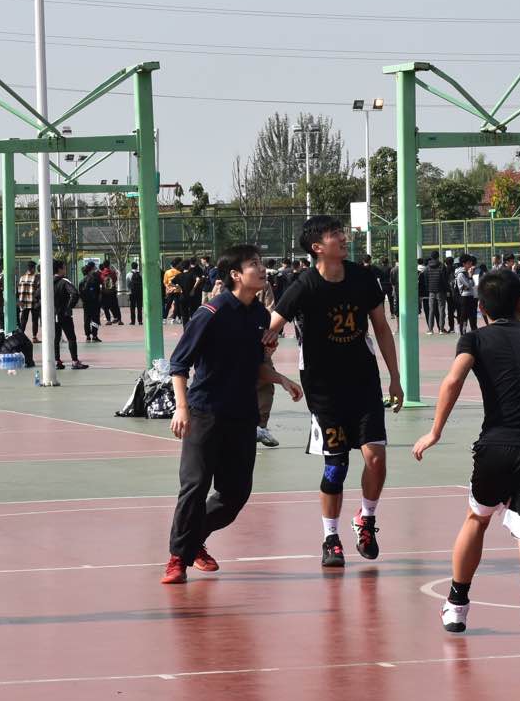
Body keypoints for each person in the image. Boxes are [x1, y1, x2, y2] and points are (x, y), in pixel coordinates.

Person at [412, 270, 520, 654]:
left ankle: (457, 604)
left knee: (477, 518)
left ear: (481, 307)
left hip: (496, 448)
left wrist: (435, 431)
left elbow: (453, 380)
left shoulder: (474, 339)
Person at [266, 215, 404, 568]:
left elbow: (382, 328)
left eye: (342, 232)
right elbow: (273, 324)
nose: (343, 237)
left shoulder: (362, 277)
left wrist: (395, 377)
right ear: (317, 247)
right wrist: (263, 351)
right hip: (323, 388)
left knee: (376, 457)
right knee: (336, 467)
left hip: (363, 381)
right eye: (335, 234)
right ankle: (330, 537)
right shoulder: (304, 285)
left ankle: (366, 519)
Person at [162, 246, 303, 584]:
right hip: (204, 412)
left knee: (235, 493)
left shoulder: (259, 316)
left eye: (261, 263)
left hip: (242, 415)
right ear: (236, 275)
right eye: (254, 264)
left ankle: (192, 541)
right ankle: (178, 558)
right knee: (195, 486)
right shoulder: (211, 312)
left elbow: (253, 365)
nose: (262, 269)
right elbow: (179, 364)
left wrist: (281, 379)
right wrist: (182, 408)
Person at [50, 260, 88, 371]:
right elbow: (75, 293)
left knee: (56, 338)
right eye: (64, 267)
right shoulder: (64, 281)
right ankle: (75, 361)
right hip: (64, 315)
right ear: (60, 269)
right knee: (71, 337)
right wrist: (69, 307)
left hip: (52, 315)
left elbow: (37, 295)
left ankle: (56, 361)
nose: (65, 269)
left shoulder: (47, 281)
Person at [453, 255, 479, 336]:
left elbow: (475, 284)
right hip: (465, 297)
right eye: (469, 263)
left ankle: (474, 333)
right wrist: (470, 276)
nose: (471, 264)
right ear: (464, 264)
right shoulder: (461, 274)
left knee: (473, 316)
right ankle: (463, 333)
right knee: (464, 317)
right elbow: (469, 285)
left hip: (472, 296)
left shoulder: (469, 271)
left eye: (471, 262)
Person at [79, 261, 103, 343]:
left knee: (87, 319)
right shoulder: (94, 279)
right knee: (95, 320)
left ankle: (88, 336)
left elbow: (80, 293)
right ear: (90, 271)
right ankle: (95, 335)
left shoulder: (81, 281)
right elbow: (98, 291)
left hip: (86, 303)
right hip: (95, 303)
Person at [17, 262, 41, 342]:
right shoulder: (36, 278)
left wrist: (20, 300)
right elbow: (38, 289)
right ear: (33, 268)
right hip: (34, 302)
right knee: (35, 320)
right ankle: (34, 337)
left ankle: (20, 336)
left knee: (23, 320)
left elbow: (19, 290)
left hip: (24, 302)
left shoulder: (22, 277)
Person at [129, 261, 144, 325]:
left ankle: (133, 321)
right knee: (139, 307)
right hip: (139, 293)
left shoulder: (129, 274)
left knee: (132, 307)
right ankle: (140, 321)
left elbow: (128, 284)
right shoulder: (140, 274)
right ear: (137, 266)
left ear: (131, 266)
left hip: (132, 293)